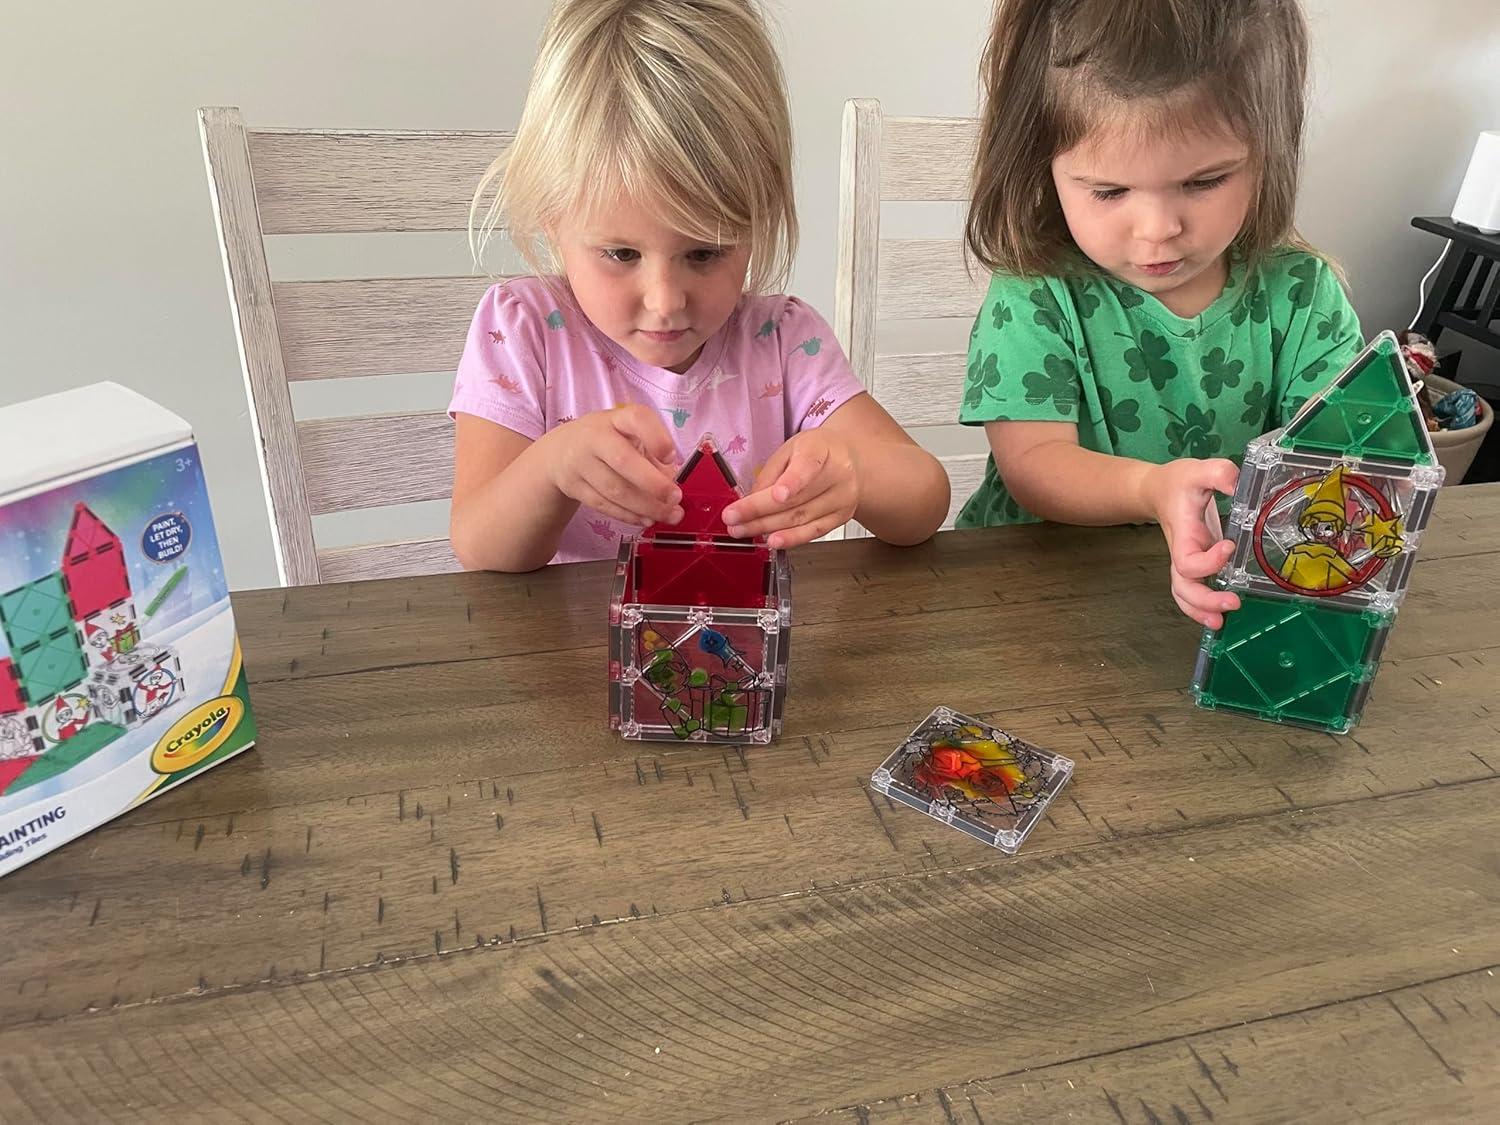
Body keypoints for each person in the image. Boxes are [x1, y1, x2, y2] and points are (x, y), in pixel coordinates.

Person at [449, 0, 949, 572]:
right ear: (551, 219)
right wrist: (551, 469)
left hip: (743, 626)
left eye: (704, 253)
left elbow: (925, 500)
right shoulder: (523, 330)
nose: (665, 302)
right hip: (567, 631)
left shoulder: (783, 340)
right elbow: (481, 548)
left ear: (758, 223)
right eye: (621, 254)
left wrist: (855, 474)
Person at [958, 0, 1362, 627]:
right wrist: (1152, 490)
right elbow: (1033, 466)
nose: (1158, 229)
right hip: (1034, 591)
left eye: (1204, 182)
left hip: (1223, 590)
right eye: (1109, 191)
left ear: (1268, 151)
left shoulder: (1303, 293)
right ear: (1043, 168)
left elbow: (1332, 461)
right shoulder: (1036, 293)